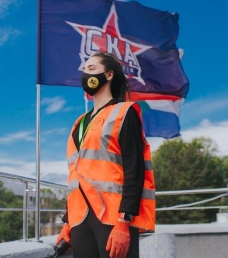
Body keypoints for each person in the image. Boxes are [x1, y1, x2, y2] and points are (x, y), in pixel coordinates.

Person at [56, 51, 156, 258]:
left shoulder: (124, 112)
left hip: (113, 217)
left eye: (92, 69)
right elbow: (77, 176)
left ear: (109, 75)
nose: (86, 74)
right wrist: (67, 223)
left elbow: (134, 170)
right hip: (80, 220)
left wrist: (124, 222)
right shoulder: (79, 123)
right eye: (84, 70)